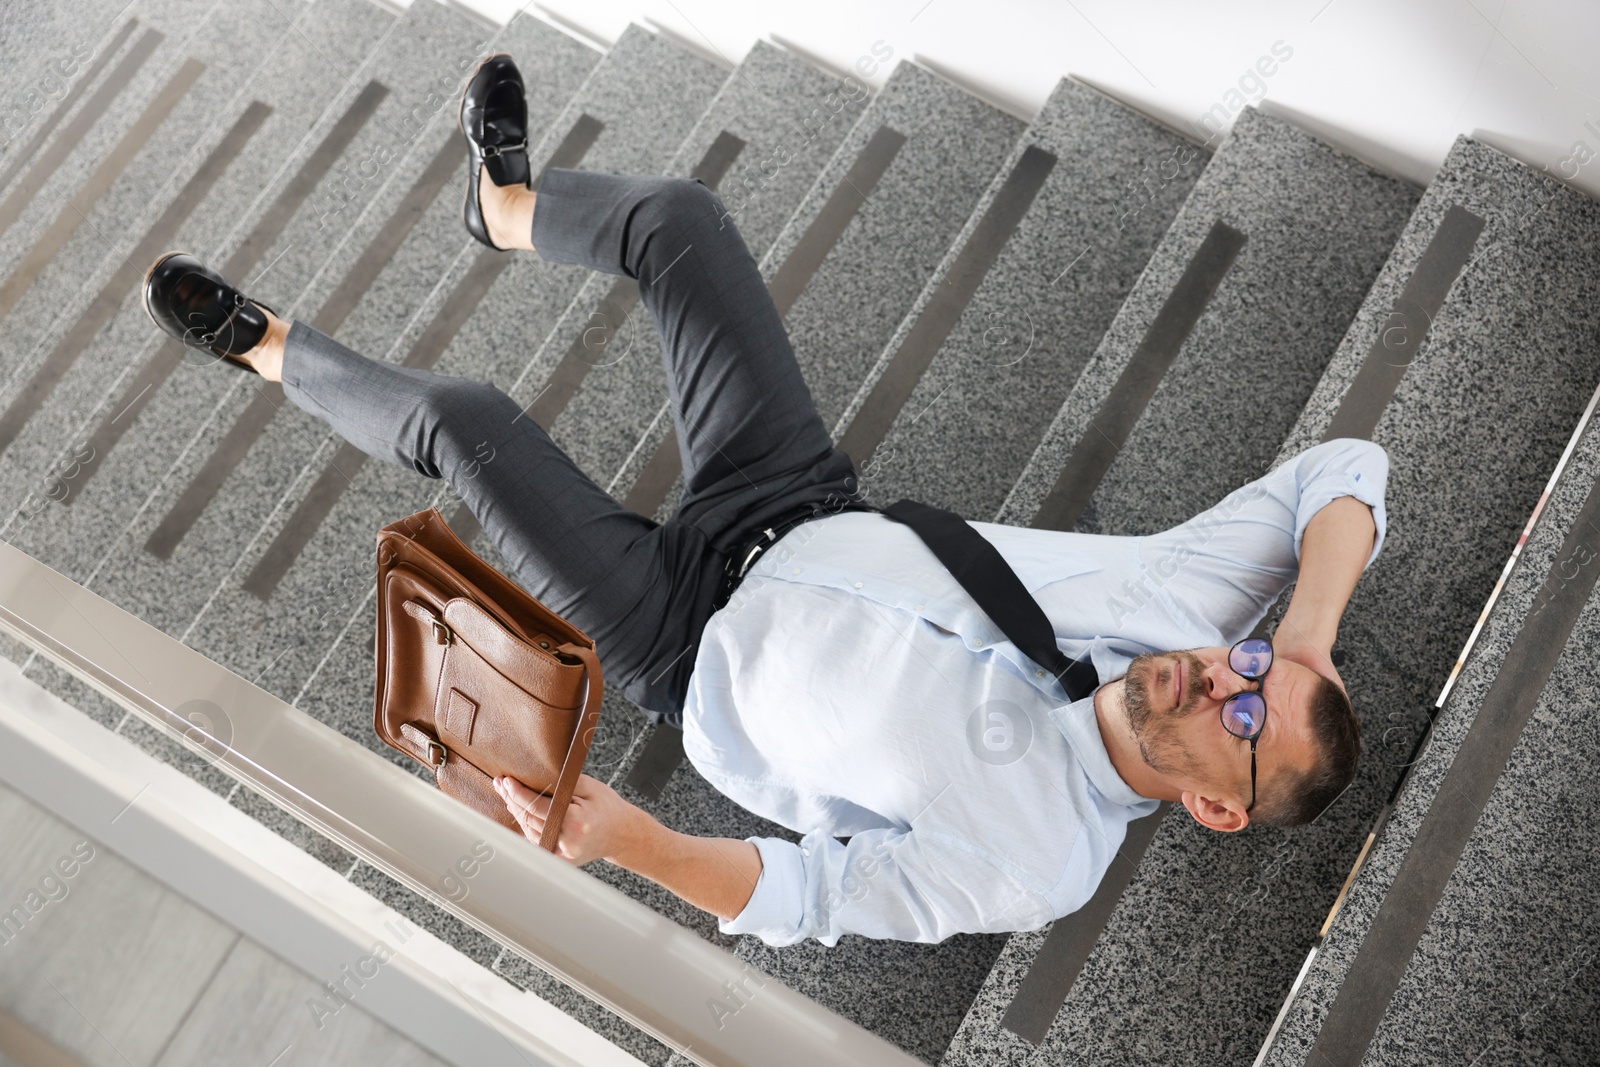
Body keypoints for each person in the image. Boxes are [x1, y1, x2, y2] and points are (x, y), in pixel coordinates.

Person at [143, 55, 1382, 947]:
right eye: (1249, 662)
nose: (1222, 676)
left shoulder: (1035, 859)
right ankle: (508, 208)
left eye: (1243, 715)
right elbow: (1345, 471)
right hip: (790, 492)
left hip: (685, 641)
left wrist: (625, 839)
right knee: (681, 222)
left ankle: (266, 348)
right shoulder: (1185, 611)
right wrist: (1306, 643)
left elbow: (809, 898)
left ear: (1217, 805)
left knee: (467, 424)